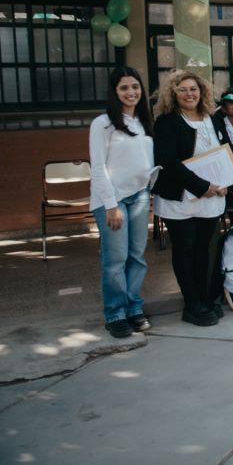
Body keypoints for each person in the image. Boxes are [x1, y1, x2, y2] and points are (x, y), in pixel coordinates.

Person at [152, 70, 229, 327]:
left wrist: (226, 181)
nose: (189, 94)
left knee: (205, 251)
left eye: (193, 89)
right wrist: (201, 186)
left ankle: (207, 299)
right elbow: (168, 161)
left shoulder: (213, 119)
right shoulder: (166, 122)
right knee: (185, 250)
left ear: (202, 92)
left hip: (212, 197)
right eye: (182, 89)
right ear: (173, 93)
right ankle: (192, 303)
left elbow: (224, 153)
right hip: (180, 199)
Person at [89, 66, 155, 338]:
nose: (131, 92)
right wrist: (111, 204)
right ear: (115, 92)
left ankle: (133, 308)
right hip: (113, 201)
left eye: (135, 87)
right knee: (115, 259)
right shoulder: (102, 123)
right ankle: (115, 313)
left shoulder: (142, 122)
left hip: (139, 197)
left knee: (136, 257)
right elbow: (98, 167)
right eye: (124, 88)